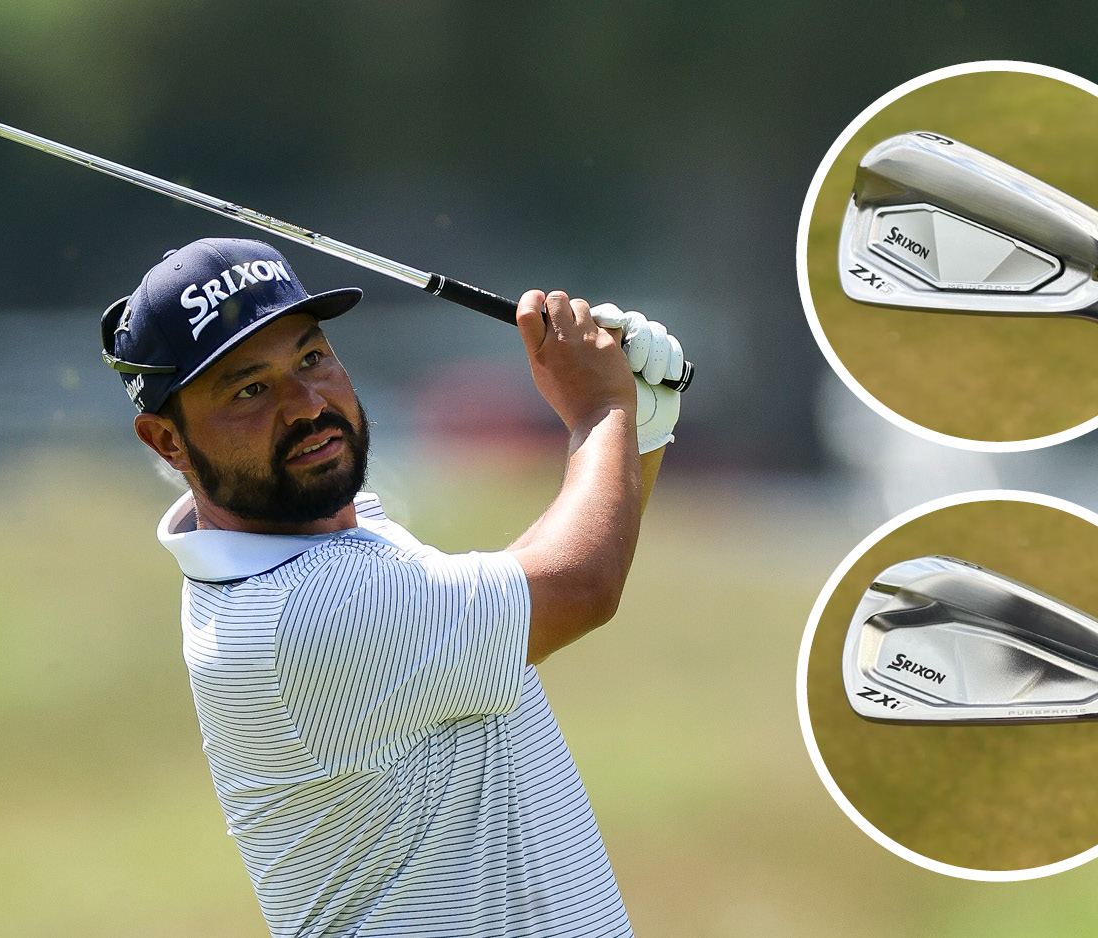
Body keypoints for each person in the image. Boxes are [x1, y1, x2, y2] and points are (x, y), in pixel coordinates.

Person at [99, 237, 684, 937]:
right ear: (166, 440)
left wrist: (635, 433)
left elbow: (512, 603)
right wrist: (601, 410)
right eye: (250, 390)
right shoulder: (303, 609)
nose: (305, 405)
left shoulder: (321, 549)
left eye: (311, 359)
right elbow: (579, 585)